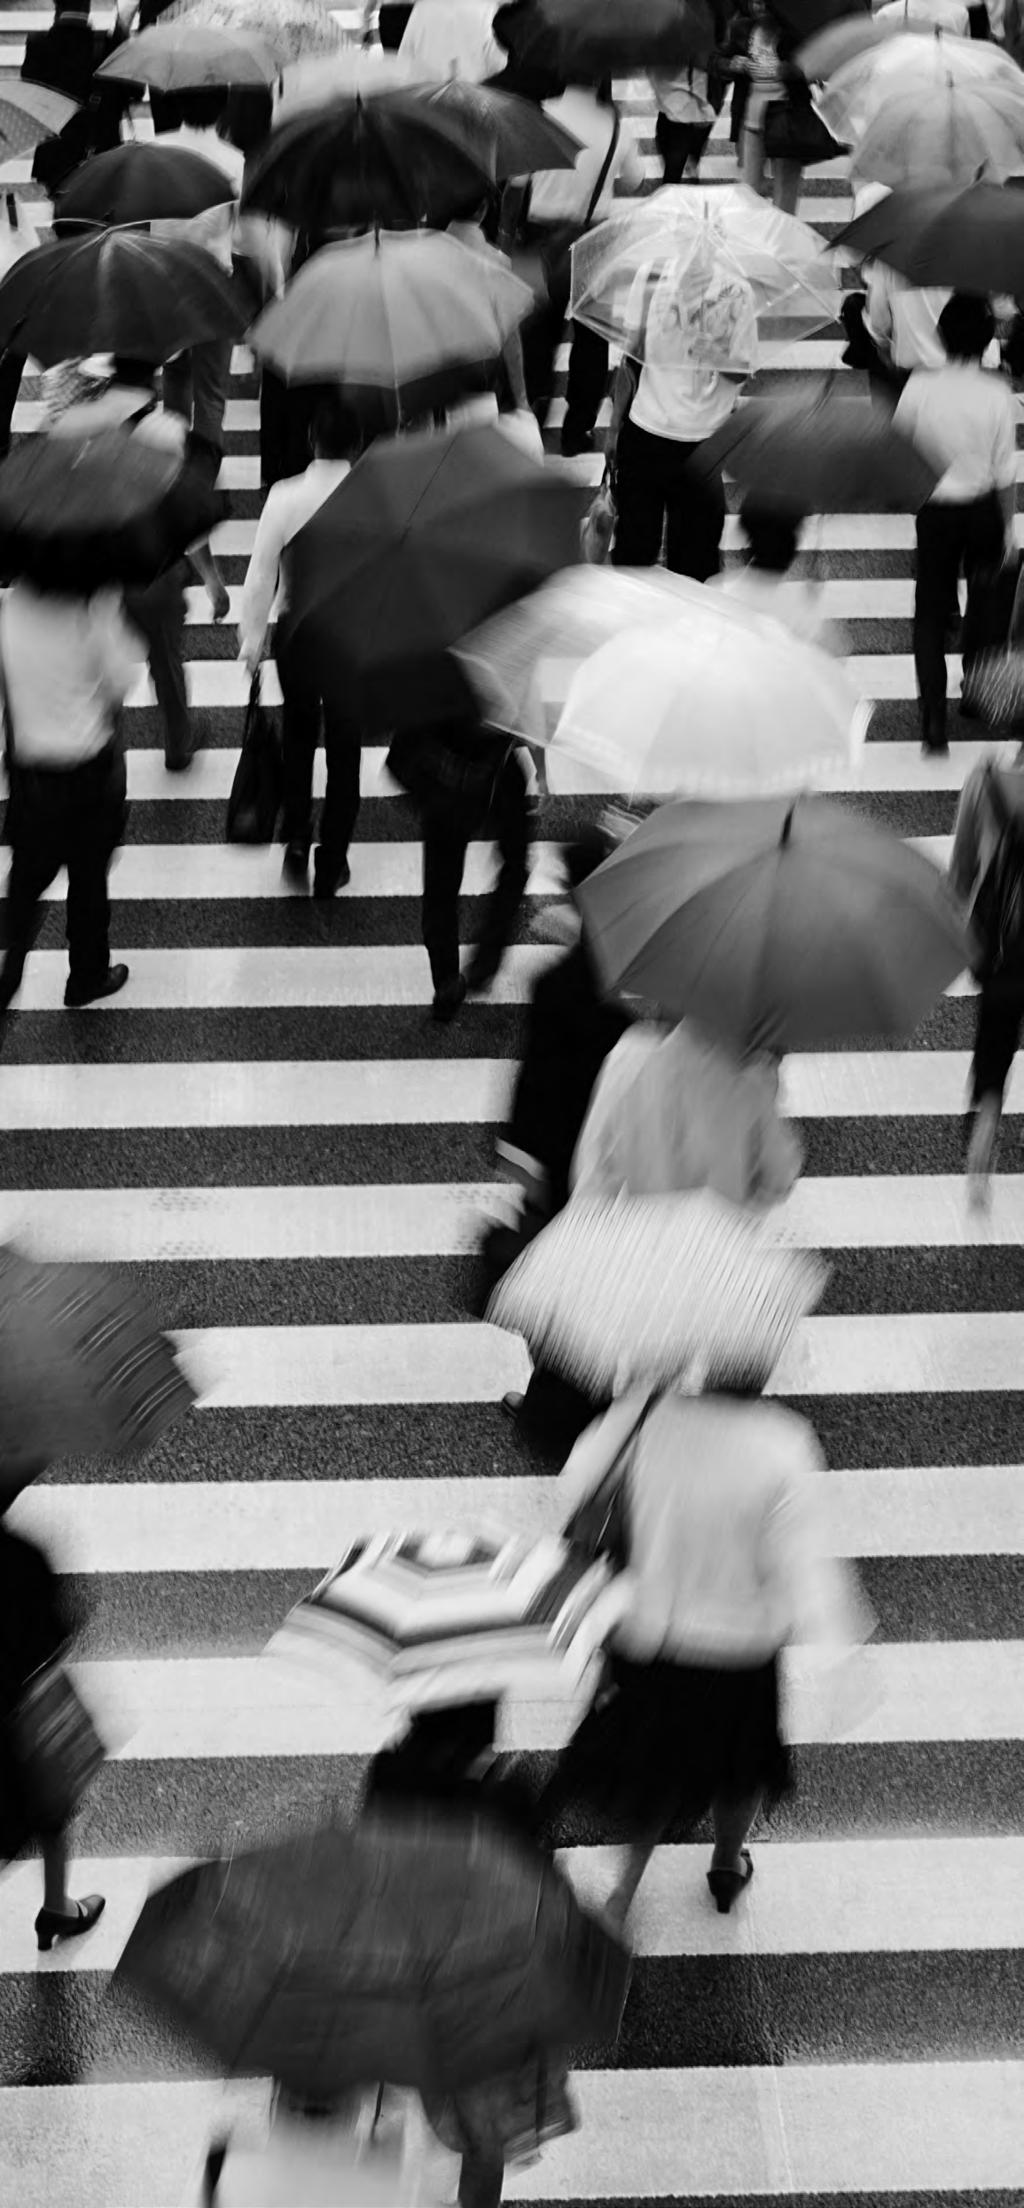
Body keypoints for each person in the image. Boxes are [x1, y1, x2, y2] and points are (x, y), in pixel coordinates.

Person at [539, 1352, 874, 1923]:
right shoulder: (781, 1442)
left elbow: (582, 1480)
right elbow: (802, 1559)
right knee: (739, 1764)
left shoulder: (650, 1417)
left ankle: (621, 1896)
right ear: (762, 1372)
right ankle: (724, 1863)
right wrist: (839, 1648)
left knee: (654, 1771)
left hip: (653, 1638)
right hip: (739, 1650)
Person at [498, 833, 632, 1449]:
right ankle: (600, 1394)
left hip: (561, 1158)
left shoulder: (559, 987)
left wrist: (518, 1158)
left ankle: (552, 1401)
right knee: (607, 1279)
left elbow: (534, 1086)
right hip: (620, 1159)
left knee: (549, 1279)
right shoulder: (641, 985)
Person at [51, 360, 230, 771]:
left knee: (101, 668)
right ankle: (178, 740)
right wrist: (212, 580)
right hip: (157, 572)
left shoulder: (82, 430)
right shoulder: (168, 433)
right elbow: (189, 516)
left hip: (101, 572)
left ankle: (103, 749)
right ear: (150, 379)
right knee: (165, 662)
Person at [238, 399, 365, 896]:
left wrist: (252, 646)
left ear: (312, 440)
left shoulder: (285, 496)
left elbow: (260, 576)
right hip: (350, 638)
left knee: (298, 736)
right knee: (345, 751)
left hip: (296, 636)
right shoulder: (372, 496)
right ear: (356, 445)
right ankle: (332, 861)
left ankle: (295, 838)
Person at [0, 571, 143, 1011]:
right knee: (88, 879)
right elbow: (122, 677)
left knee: (25, 879)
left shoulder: (12, 608)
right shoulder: (91, 604)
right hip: (85, 769)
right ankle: (86, 975)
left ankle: (8, 967)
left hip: (30, 770)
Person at [894, 292, 1017, 755]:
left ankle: (932, 717)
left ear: (941, 337)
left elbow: (900, 450)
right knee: (985, 606)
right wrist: (1008, 527)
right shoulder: (996, 394)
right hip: (982, 510)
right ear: (986, 339)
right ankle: (976, 694)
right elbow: (1005, 473)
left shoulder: (920, 387)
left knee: (929, 612)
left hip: (937, 511)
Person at [512, 82, 643, 455]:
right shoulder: (615, 124)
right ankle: (577, 430)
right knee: (591, 337)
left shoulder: (540, 114)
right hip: (595, 239)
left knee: (536, 333)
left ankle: (533, 416)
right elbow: (636, 177)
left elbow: (518, 180)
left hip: (538, 240)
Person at [0, 1492, 106, 1951]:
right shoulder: (18, 1560)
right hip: (18, 1732)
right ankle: (57, 1909)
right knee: (51, 1811)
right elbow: (58, 1629)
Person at [571, 1016, 803, 1210]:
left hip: (642, 1239)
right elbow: (779, 1177)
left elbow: (594, 1168)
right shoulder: (751, 1083)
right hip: (714, 1246)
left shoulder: (628, 1059)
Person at [387, 714, 531, 1021]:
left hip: (448, 786)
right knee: (516, 864)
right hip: (498, 777)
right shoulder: (512, 673)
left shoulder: (441, 674)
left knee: (441, 885)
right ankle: (485, 961)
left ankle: (446, 978)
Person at [151, 91, 247, 474]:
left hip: (166, 277)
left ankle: (171, 464)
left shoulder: (158, 150)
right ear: (221, 109)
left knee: (175, 374)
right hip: (214, 284)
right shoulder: (234, 161)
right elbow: (240, 234)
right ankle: (204, 474)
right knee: (211, 389)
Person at [949, 743, 1024, 1201]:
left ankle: (987, 1119)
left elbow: (961, 873)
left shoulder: (985, 781)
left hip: (1002, 948)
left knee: (995, 1039)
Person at [610, 354, 738, 578]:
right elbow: (739, 374)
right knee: (690, 562)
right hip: (694, 441)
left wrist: (614, 429)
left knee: (637, 554)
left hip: (652, 433)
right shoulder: (738, 318)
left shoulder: (655, 316)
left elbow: (630, 363)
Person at [707, 496, 846, 653]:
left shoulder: (715, 594)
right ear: (791, 547)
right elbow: (833, 653)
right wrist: (810, 602)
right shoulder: (800, 617)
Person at [23, 0, 131, 195]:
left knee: (62, 214)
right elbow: (131, 94)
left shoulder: (39, 45)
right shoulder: (109, 44)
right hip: (100, 151)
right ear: (88, 7)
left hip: (55, 154)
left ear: (57, 7)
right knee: (99, 214)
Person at [647, 61, 721, 182]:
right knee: (673, 148)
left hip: (683, 102)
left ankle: (673, 182)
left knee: (674, 153)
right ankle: (675, 179)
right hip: (680, 99)